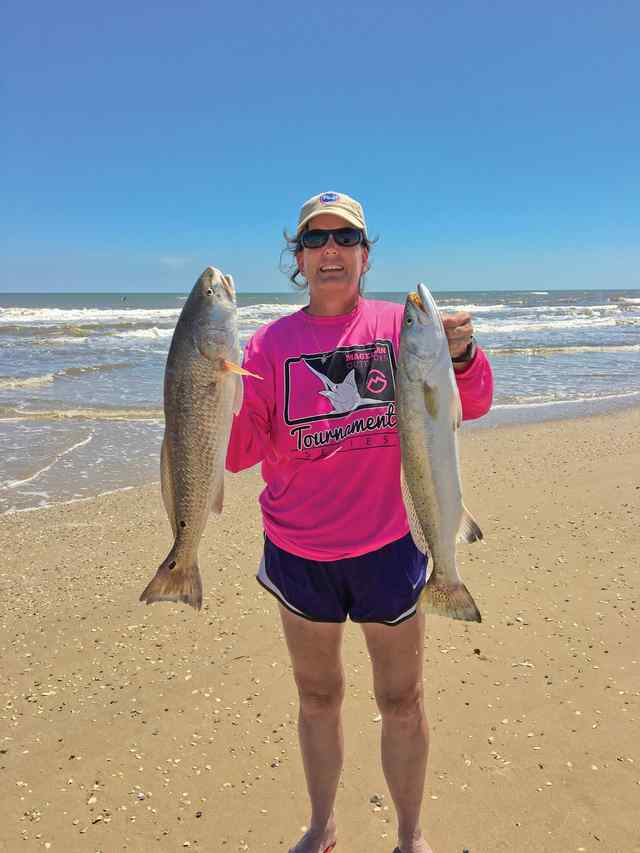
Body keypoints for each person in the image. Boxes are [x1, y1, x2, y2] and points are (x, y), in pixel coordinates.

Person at [226, 191, 493, 853]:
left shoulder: (401, 329)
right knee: (317, 696)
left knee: (402, 699)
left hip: (390, 547)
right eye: (315, 239)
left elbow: (470, 402)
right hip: (299, 551)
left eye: (345, 238)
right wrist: (210, 389)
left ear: (365, 255)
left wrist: (461, 354)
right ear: (298, 258)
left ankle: (409, 836)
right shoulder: (268, 346)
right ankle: (322, 826)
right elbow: (237, 452)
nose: (330, 250)